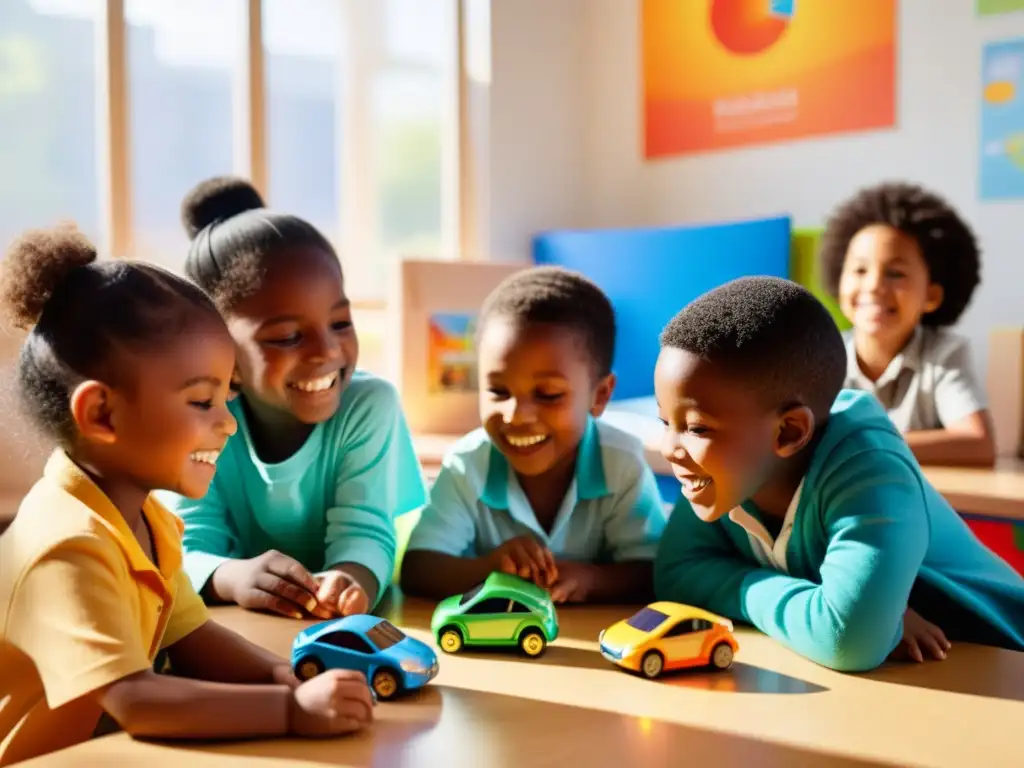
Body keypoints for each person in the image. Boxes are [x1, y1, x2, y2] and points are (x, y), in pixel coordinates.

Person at [0, 226, 373, 765]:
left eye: (227, 396)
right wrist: (291, 711)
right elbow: (137, 699)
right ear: (102, 413)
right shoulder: (68, 545)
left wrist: (285, 677)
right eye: (202, 401)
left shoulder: (146, 521)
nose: (226, 424)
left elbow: (191, 636)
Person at [652, 276, 1024, 672]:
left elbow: (847, 639)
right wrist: (824, 603)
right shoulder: (724, 476)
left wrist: (737, 584)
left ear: (789, 432)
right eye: (664, 421)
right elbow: (676, 575)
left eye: (696, 428)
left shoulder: (871, 472)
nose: (668, 448)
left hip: (999, 662)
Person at [163, 180, 426, 619]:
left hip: (332, 630)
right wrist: (234, 577)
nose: (326, 351)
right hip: (240, 629)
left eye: (340, 323)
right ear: (220, 352)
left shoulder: (369, 406)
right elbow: (185, 548)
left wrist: (348, 581)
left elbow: (366, 535)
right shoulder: (202, 421)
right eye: (288, 336)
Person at [401, 267, 666, 603]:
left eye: (548, 394)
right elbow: (417, 569)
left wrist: (592, 579)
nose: (516, 416)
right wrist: (490, 568)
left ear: (599, 396)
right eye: (498, 390)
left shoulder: (621, 463)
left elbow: (655, 572)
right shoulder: (468, 464)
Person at [820, 181, 995, 466]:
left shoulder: (944, 354)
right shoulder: (822, 354)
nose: (874, 285)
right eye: (860, 269)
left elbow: (979, 442)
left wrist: (864, 442)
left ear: (932, 295)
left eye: (895, 273)